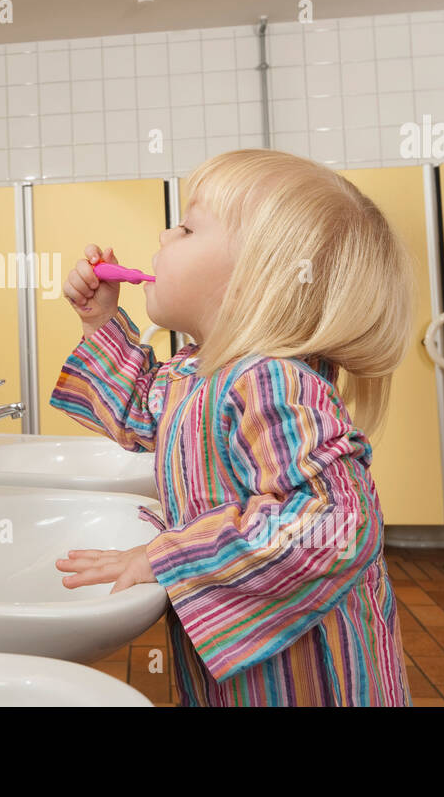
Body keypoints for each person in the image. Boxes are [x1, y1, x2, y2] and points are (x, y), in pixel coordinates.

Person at [50, 149, 414, 706]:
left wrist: (165, 557)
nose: (167, 234)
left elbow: (333, 522)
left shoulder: (270, 381)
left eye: (189, 227)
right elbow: (136, 412)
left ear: (254, 280)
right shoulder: (196, 374)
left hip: (312, 683)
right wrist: (100, 321)